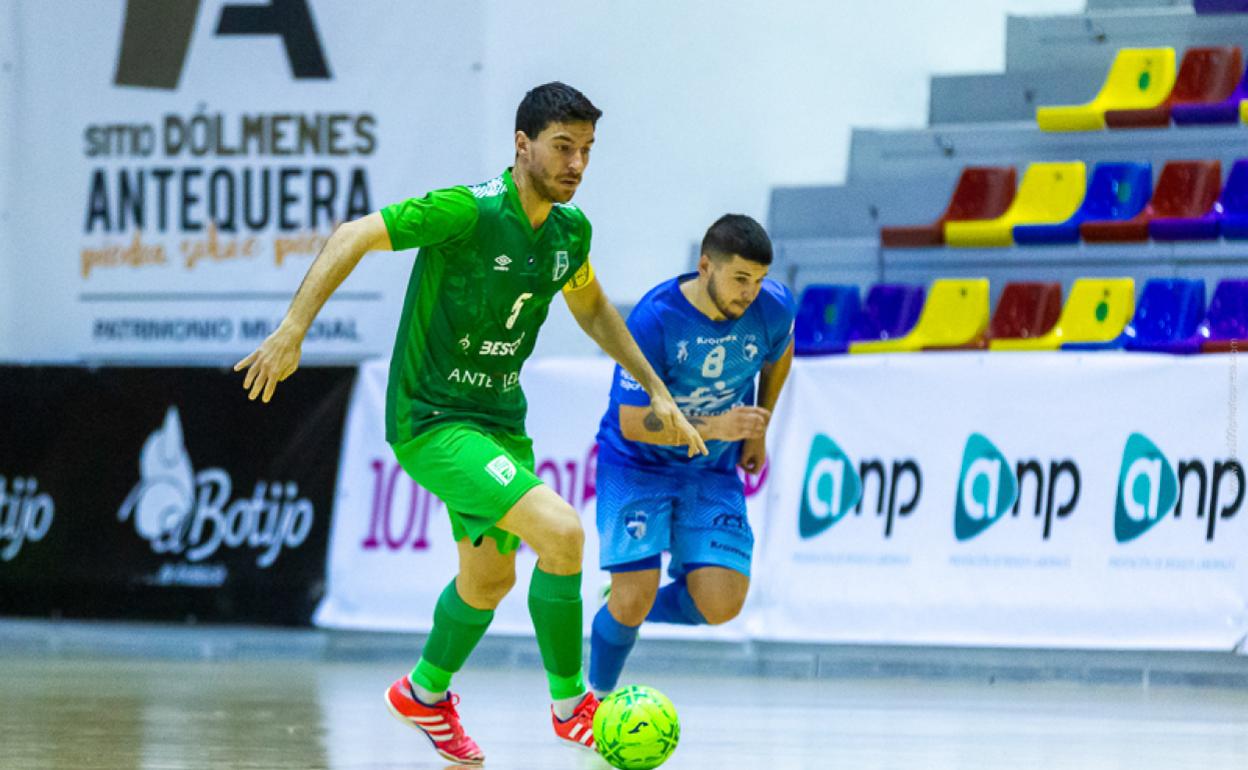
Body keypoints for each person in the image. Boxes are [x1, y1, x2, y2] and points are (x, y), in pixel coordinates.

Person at [234, 82, 705, 766]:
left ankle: (423, 693)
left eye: (588, 151)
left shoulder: (570, 232)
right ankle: (573, 704)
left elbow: (594, 307)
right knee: (563, 533)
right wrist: (293, 329)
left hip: (498, 423)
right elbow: (354, 233)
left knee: (488, 582)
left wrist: (657, 388)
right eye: (563, 147)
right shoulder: (468, 211)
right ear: (523, 145)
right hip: (431, 420)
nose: (577, 164)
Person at [587, 214, 795, 698]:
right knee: (633, 596)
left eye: (759, 280)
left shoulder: (773, 307)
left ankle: (621, 606)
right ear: (706, 266)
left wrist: (759, 425)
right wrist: (716, 426)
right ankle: (593, 702)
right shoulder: (655, 318)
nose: (751, 292)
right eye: (740, 278)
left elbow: (780, 351)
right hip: (639, 465)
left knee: (721, 603)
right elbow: (633, 421)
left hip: (711, 468)